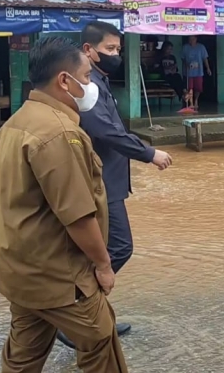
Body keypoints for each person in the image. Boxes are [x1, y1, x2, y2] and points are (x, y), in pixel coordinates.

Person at [0, 36, 128, 372]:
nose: (89, 85)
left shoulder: (15, 124)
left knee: (24, 353)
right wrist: (103, 266)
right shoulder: (59, 133)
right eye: (85, 77)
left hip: (18, 268)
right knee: (100, 337)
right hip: (57, 274)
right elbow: (78, 216)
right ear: (63, 81)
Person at [69, 21, 172, 348]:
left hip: (108, 179)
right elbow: (105, 131)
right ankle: (73, 313)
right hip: (101, 183)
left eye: (117, 49)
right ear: (89, 50)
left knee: (96, 252)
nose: (115, 55)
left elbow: (112, 128)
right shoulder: (88, 86)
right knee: (118, 247)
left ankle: (84, 315)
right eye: (110, 49)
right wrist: (148, 152)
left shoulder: (98, 80)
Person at [181, 35, 212, 110]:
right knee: (189, 88)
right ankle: (191, 103)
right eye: (189, 39)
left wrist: (208, 68)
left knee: (198, 88)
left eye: (192, 39)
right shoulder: (185, 47)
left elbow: (205, 58)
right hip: (188, 72)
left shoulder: (201, 47)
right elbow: (183, 58)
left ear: (195, 39)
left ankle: (196, 100)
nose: (190, 41)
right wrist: (186, 64)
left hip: (198, 71)